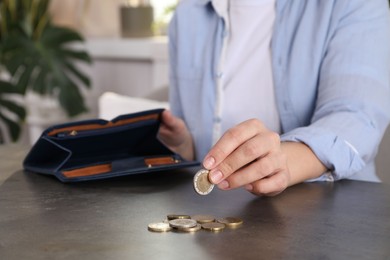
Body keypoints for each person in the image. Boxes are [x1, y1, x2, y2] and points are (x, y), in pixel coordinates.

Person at [158, 0, 390, 196]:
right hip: (213, 216)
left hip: (333, 212)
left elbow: (357, 118)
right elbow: (197, 148)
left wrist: (284, 161)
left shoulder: (351, 4)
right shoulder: (188, 12)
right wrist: (184, 145)